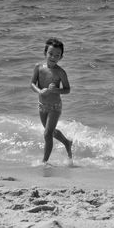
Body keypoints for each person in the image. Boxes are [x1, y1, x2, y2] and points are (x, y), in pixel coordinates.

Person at [30, 38, 73, 166]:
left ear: (61, 57)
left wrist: (56, 90)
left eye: (57, 55)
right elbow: (32, 84)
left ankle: (44, 162)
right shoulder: (38, 67)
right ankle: (67, 142)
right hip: (42, 105)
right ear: (45, 53)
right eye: (51, 54)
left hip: (55, 107)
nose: (53, 57)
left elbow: (67, 90)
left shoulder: (60, 72)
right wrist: (40, 91)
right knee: (51, 131)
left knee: (47, 133)